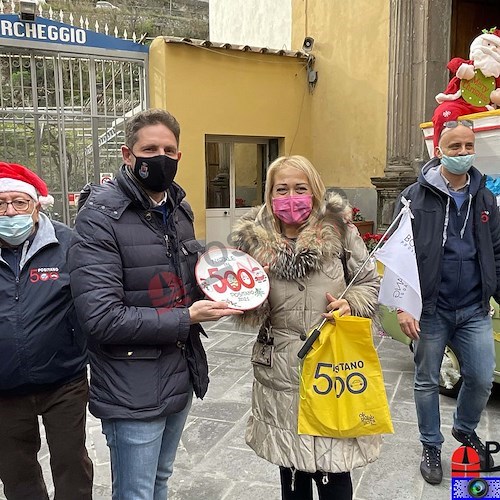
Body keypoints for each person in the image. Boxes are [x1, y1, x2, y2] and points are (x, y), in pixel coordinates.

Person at [68, 108, 242, 500]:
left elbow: (181, 285)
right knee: (136, 493)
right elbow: (101, 318)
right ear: (128, 155)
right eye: (150, 149)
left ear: (179, 156)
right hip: (131, 386)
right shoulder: (100, 218)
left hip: (177, 373)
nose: (160, 157)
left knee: (160, 480)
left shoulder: (180, 210)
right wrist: (186, 317)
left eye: (169, 149)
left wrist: (223, 283)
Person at [229, 155, 381, 500]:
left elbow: (369, 282)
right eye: (281, 189)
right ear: (269, 194)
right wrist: (243, 302)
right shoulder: (252, 238)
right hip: (281, 369)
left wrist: (350, 302)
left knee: (334, 471)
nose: (291, 196)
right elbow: (248, 309)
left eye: (300, 188)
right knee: (292, 471)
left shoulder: (340, 230)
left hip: (333, 366)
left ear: (314, 191)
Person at [395, 121, 500, 485]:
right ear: (439, 150)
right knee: (426, 380)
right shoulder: (414, 196)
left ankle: (464, 428)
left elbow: (496, 252)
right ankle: (430, 444)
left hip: (474, 308)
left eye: (468, 145)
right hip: (432, 308)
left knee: (482, 377)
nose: (462, 153)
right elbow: (398, 254)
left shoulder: (484, 197)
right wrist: (403, 305)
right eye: (454, 146)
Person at [0, 162, 92, 499]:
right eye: (1, 203)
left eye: (19, 202)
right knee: (16, 472)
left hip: (63, 381)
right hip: (4, 388)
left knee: (71, 464)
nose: (10, 211)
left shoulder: (67, 243)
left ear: (37, 205)